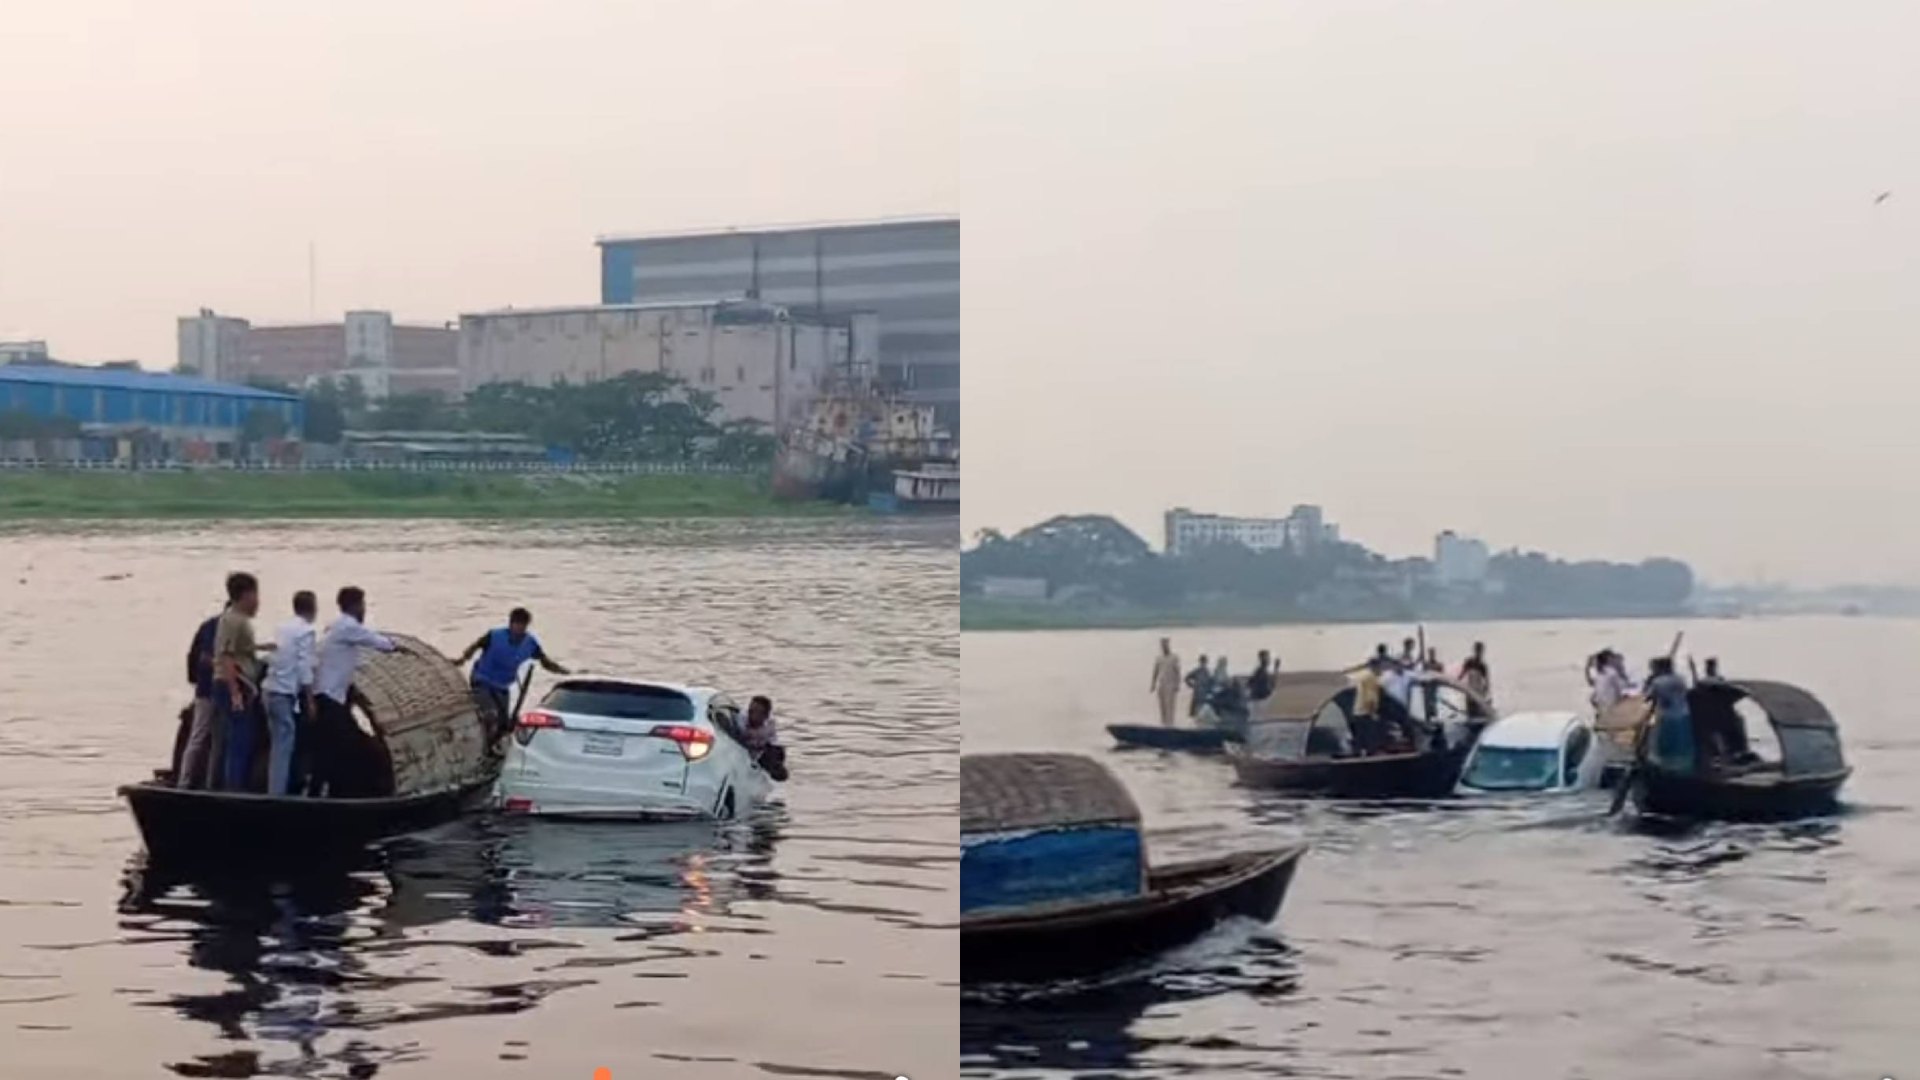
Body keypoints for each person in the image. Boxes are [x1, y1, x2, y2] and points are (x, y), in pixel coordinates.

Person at [310, 587, 401, 797]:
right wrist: (396, 646)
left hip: (327, 696)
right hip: (330, 699)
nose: (364, 610)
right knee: (344, 746)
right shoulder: (348, 626)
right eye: (362, 605)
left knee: (328, 748)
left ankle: (322, 792)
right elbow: (380, 642)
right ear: (355, 606)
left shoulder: (335, 626)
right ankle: (341, 793)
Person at [458, 607, 570, 729]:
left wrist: (564, 672)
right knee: (490, 715)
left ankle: (496, 744)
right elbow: (474, 647)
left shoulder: (530, 643)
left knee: (505, 724)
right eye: (517, 624)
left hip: (502, 686)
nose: (519, 628)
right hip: (482, 680)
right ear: (510, 624)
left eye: (523, 625)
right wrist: (462, 659)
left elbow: (545, 662)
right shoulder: (494, 636)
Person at [213, 572, 268, 792]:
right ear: (245, 595)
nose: (258, 601)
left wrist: (266, 648)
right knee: (240, 738)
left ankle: (237, 783)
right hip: (234, 684)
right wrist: (235, 692)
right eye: (255, 595)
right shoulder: (232, 619)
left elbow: (240, 650)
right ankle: (234, 788)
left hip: (241, 683)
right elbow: (226, 656)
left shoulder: (240, 620)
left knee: (244, 735)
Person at [261, 591, 319, 796]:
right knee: (283, 746)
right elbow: (305, 667)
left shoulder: (282, 628)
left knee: (277, 743)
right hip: (283, 694)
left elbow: (273, 654)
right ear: (313, 608)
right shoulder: (307, 631)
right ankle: (276, 796)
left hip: (268, 690)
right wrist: (310, 700)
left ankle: (275, 789)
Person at [177, 602, 226, 789]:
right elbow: (205, 657)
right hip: (210, 690)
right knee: (205, 736)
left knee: (207, 737)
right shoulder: (218, 627)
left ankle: (197, 781)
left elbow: (194, 656)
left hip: (205, 688)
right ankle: (190, 780)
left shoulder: (208, 625)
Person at [1644, 656, 1695, 775]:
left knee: (1665, 744)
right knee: (1681, 743)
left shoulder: (1658, 682)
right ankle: (1683, 767)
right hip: (1683, 715)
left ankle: (1666, 769)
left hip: (1667, 717)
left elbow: (1647, 697)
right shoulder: (1680, 679)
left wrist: (1648, 682)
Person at [740, 695, 788, 782]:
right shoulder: (740, 719)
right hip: (741, 751)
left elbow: (773, 743)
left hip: (760, 752)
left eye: (755, 712)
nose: (750, 714)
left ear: (765, 715)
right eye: (750, 710)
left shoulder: (770, 724)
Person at [1149, 639, 1184, 727]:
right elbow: (1155, 671)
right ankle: (1163, 723)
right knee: (1162, 705)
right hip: (1161, 684)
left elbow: (1177, 672)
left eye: (1165, 645)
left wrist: (1177, 684)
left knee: (1170, 706)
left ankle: (1170, 724)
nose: (1164, 647)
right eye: (1162, 646)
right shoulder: (1159, 658)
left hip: (1171, 685)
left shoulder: (1174, 657)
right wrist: (1153, 684)